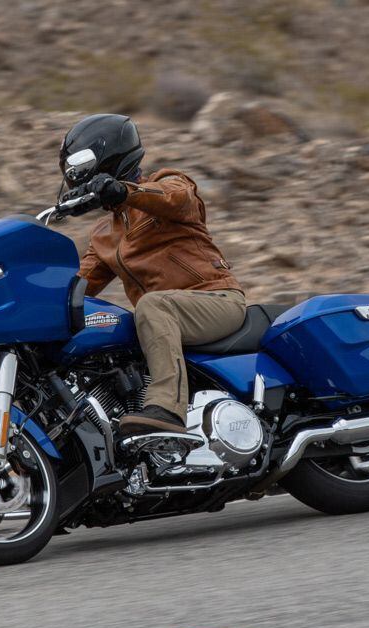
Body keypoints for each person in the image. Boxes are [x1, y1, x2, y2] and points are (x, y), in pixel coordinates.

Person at [59, 113, 246, 436]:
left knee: (151, 306)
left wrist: (124, 192)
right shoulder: (105, 234)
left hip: (216, 299)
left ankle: (168, 410)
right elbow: (78, 287)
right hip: (169, 314)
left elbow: (177, 199)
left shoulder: (168, 184)